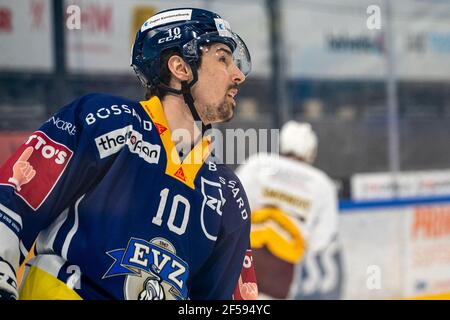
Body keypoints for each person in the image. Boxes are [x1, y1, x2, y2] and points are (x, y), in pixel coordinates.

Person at [0, 8, 257, 300]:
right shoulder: (107, 121)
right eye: (223, 58)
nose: (238, 75)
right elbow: (12, 201)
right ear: (180, 68)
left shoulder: (228, 195)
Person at [236, 121, 343, 299]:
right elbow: (324, 236)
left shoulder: (258, 164)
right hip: (284, 266)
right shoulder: (322, 182)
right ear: (311, 152)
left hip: (247, 255)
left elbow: (232, 202)